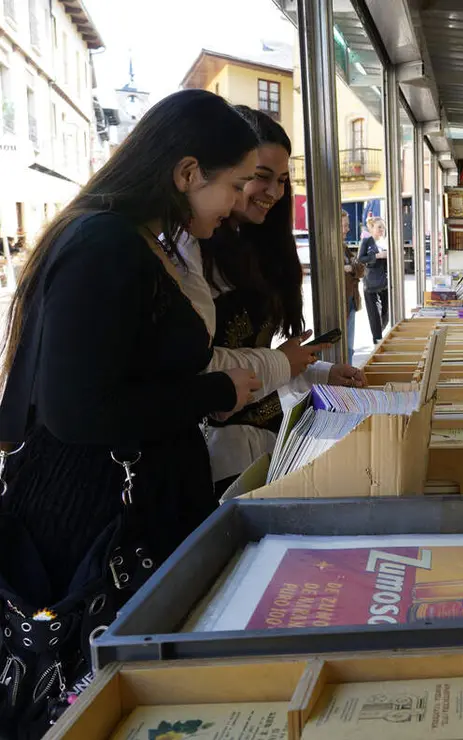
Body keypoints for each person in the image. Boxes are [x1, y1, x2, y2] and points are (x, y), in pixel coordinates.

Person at [0, 89, 263, 733]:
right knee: (94, 692)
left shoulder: (135, 240)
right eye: (231, 186)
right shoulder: (106, 243)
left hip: (128, 506)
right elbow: (76, 410)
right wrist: (216, 394)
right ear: (186, 173)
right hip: (96, 519)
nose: (234, 205)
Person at [189, 107, 365, 495]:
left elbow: (260, 356)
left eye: (282, 181)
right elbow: (201, 366)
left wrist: (318, 373)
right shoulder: (193, 256)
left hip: (266, 443)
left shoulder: (256, 248)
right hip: (220, 456)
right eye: (258, 178)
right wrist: (285, 363)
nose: (273, 193)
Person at [358, 216, 390, 342]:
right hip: (371, 284)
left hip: (384, 282)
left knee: (386, 314)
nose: (382, 230)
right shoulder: (367, 241)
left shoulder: (385, 242)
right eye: (379, 227)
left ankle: (379, 333)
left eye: (383, 227)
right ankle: (377, 339)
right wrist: (377, 256)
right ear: (371, 228)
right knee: (374, 315)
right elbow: (361, 259)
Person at [340, 209, 365, 364]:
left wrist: (350, 269)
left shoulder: (344, 248)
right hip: (341, 301)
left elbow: (360, 268)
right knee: (345, 345)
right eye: (344, 226)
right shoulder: (332, 249)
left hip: (350, 299)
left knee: (349, 345)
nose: (348, 229)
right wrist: (351, 268)